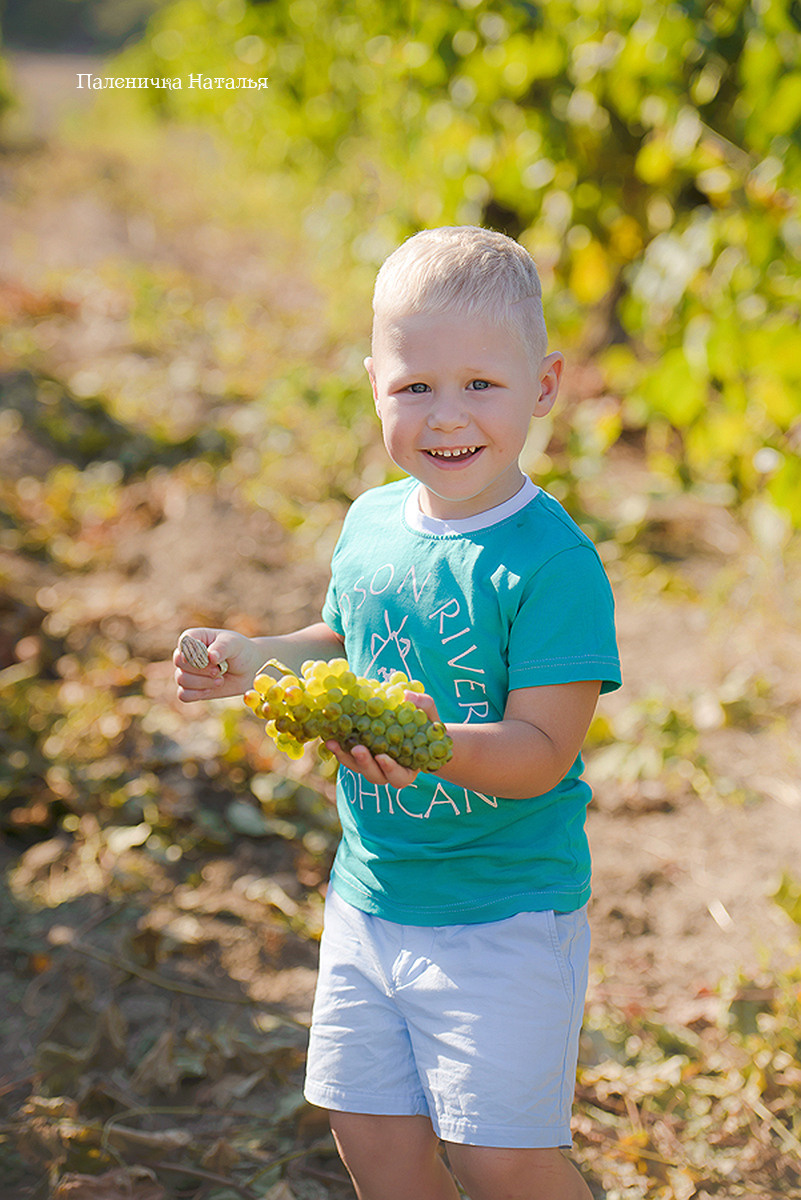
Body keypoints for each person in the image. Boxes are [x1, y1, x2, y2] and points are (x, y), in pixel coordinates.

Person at [174, 225, 621, 1200]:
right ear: (374, 383)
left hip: (502, 913)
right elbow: (341, 644)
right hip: (370, 897)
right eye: (415, 386)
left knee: (499, 1158)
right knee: (371, 1135)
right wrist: (255, 659)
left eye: (480, 384)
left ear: (544, 386)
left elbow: (542, 752)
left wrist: (426, 742)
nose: (446, 415)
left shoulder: (551, 565)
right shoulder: (372, 523)